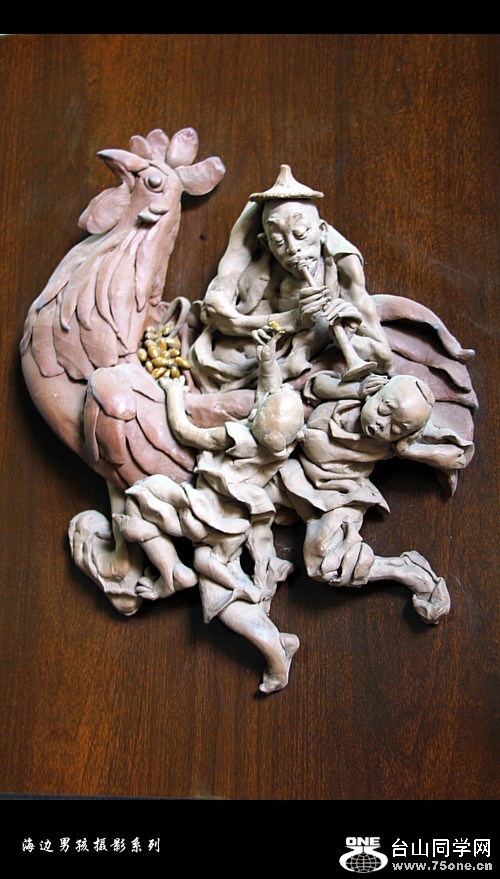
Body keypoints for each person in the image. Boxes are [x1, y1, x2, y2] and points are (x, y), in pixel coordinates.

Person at [114, 330, 304, 694]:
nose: (258, 405)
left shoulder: (237, 436)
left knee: (140, 496)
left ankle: (172, 572)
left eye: (260, 409)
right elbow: (271, 393)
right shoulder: (279, 447)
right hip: (232, 527)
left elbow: (185, 431)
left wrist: (173, 393)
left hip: (201, 512)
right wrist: (267, 360)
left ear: (258, 417)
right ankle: (277, 641)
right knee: (214, 577)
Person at [279, 372, 474, 623]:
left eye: (396, 428)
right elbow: (317, 385)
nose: (383, 424)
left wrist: (411, 451)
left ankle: (404, 571)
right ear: (376, 392)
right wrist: (357, 388)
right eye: (383, 410)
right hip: (292, 470)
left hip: (340, 492)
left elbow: (459, 455)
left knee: (324, 562)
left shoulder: (397, 440)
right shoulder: (356, 396)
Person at [189, 165, 392, 393]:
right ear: (266, 243)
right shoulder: (250, 235)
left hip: (297, 360)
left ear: (322, 230)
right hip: (247, 354)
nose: (292, 249)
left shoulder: (343, 263)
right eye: (278, 241)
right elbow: (213, 311)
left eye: (301, 234)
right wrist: (293, 319)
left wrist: (346, 335)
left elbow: (383, 357)